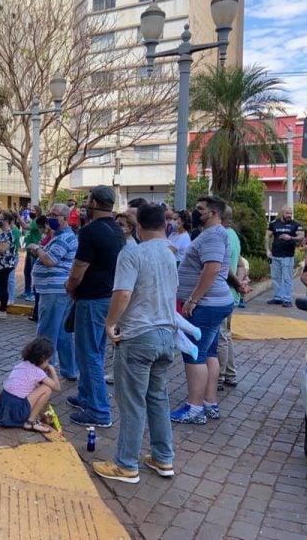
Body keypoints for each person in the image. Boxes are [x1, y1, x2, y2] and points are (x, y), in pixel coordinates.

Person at [92, 203, 178, 484]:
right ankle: (163, 457)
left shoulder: (132, 253)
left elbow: (123, 293)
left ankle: (126, 463)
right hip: (166, 335)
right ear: (164, 225)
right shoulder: (170, 253)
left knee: (132, 402)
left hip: (139, 336)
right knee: (158, 398)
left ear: (138, 226)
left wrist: (110, 323)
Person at [171, 196, 234, 425]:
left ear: (214, 213)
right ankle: (209, 402)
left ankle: (194, 408)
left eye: (200, 209)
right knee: (209, 352)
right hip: (213, 303)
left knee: (194, 354)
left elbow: (213, 268)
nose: (195, 212)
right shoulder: (212, 234)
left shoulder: (213, 235)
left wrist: (193, 299)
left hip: (207, 304)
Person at [65, 185, 125, 428]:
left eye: (88, 200)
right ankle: (86, 396)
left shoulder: (90, 232)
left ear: (95, 203)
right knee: (96, 351)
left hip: (91, 299)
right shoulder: (117, 230)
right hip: (108, 297)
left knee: (88, 353)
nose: (85, 205)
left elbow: (78, 269)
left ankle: (99, 410)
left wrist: (70, 285)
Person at [28, 203, 78, 379]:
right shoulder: (59, 236)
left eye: (55, 215)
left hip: (54, 291)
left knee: (47, 332)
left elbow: (50, 260)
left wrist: (36, 248)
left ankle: (44, 372)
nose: (50, 218)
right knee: (63, 333)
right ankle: (69, 370)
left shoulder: (63, 238)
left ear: (65, 218)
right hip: (57, 290)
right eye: (50, 214)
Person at [0, 336, 61, 434]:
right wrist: (52, 370)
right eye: (48, 361)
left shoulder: (22, 364)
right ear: (43, 358)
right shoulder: (37, 372)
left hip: (2, 408)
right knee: (46, 389)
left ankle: (29, 417)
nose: (47, 363)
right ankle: (30, 422)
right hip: (16, 411)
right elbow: (57, 387)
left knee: (37, 387)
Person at [218, 205, 249, 390]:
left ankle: (220, 376)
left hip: (224, 292)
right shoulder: (234, 235)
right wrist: (240, 283)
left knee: (221, 337)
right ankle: (230, 373)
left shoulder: (222, 235)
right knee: (226, 335)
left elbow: (225, 267)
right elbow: (240, 265)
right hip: (232, 294)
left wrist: (237, 283)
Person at [265, 206, 304, 307]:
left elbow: (301, 237)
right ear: (282, 213)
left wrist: (290, 237)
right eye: (287, 213)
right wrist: (267, 250)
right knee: (276, 277)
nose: (289, 215)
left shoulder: (296, 225)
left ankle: (287, 299)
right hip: (275, 255)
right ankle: (278, 297)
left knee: (287, 279)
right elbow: (267, 236)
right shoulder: (274, 224)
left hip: (288, 256)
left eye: (291, 213)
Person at [19, 205, 42, 302]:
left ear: (38, 212)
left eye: (33, 210)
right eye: (30, 210)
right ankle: (27, 290)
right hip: (29, 250)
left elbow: (25, 226)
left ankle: (33, 293)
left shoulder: (36, 222)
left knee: (33, 272)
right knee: (27, 271)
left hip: (34, 251)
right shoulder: (33, 221)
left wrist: (18, 216)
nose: (30, 212)